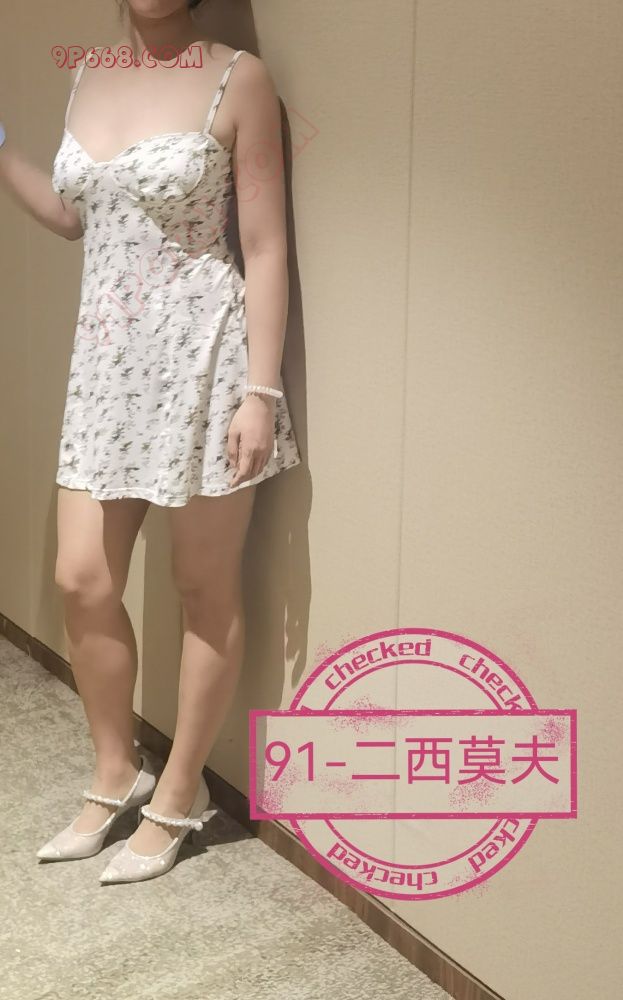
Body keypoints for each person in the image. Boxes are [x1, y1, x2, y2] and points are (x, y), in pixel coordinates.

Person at [0, 0, 301, 883]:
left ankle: (177, 791)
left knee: (201, 585)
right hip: (105, 368)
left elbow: (265, 245)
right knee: (81, 578)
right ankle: (112, 771)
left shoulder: (237, 78)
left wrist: (259, 392)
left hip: (205, 362)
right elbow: (74, 215)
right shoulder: (89, 72)